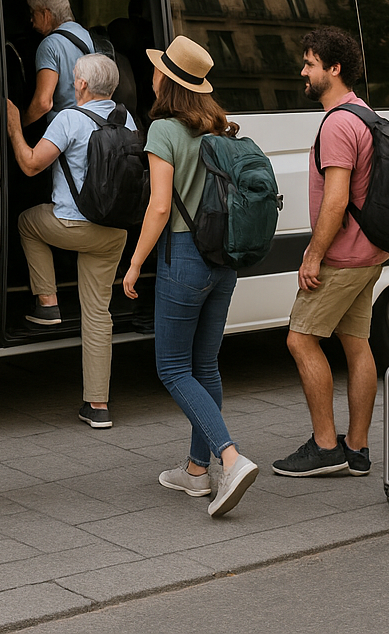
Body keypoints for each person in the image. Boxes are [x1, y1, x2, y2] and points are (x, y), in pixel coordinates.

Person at [122, 36, 259, 517]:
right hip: (224, 259)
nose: (152, 75)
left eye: (158, 70)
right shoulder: (219, 127)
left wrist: (135, 262)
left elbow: (160, 206)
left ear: (168, 81)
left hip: (183, 256)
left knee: (172, 368)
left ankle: (230, 457)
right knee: (205, 367)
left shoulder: (163, 129)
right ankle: (197, 472)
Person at [273, 27, 389, 479]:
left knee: (300, 339)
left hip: (342, 257)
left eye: (310, 63)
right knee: (357, 344)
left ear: (333, 69)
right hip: (371, 253)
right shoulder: (364, 112)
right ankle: (357, 450)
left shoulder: (339, 123)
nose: (303, 71)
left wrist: (312, 256)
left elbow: (336, 199)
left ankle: (326, 446)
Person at [6, 54, 134, 429]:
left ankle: (47, 303)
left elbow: (31, 164)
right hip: (114, 232)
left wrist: (15, 127)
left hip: (72, 225)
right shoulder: (127, 119)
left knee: (27, 222)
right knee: (98, 315)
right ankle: (98, 406)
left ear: (80, 85)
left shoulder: (69, 119)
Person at [22, 0, 95, 126]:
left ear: (46, 14)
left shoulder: (49, 44)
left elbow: (43, 103)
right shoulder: (84, 34)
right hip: (88, 123)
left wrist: (20, 125)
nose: (31, 20)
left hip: (65, 130)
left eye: (33, 13)